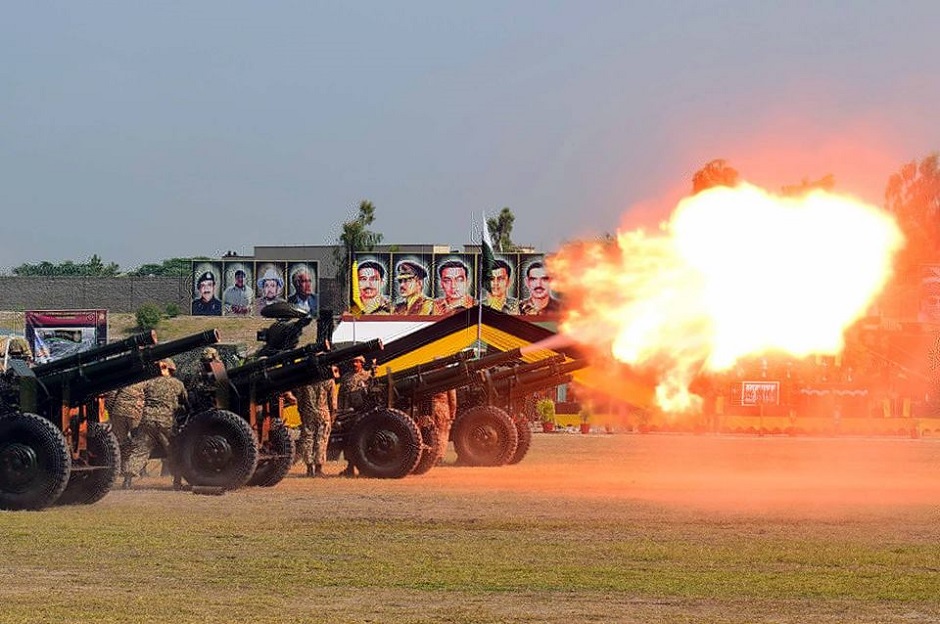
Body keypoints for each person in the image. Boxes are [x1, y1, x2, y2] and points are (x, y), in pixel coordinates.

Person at [122, 359, 189, 490]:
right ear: (171, 369)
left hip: (147, 420)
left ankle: (127, 481)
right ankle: (177, 481)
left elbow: (139, 397)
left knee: (140, 450)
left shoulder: (149, 383)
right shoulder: (177, 384)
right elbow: (185, 402)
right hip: (166, 422)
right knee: (174, 450)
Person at [295, 366, 338, 477]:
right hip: (324, 414)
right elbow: (333, 402)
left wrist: (302, 413)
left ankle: (309, 468)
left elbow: (300, 400)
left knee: (308, 439)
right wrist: (333, 416)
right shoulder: (329, 380)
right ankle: (319, 469)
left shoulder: (304, 381)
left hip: (308, 413)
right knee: (321, 440)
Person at [337, 355, 372, 476]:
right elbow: (341, 395)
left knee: (363, 440)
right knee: (348, 440)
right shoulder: (346, 378)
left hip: (362, 413)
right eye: (353, 362)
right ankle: (350, 467)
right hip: (348, 414)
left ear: (362, 363)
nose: (355, 364)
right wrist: (340, 411)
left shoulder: (367, 376)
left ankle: (363, 469)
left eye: (357, 362)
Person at [104, 380, 147, 473]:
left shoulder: (124, 378)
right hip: (135, 413)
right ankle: (139, 469)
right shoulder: (144, 380)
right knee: (137, 441)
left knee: (120, 442)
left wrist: (111, 411)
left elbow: (111, 395)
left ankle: (121, 468)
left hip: (119, 411)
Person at [430, 388, 457, 465]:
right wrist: (452, 414)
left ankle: (430, 457)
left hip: (430, 408)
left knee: (430, 433)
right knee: (442, 433)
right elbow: (452, 399)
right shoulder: (448, 381)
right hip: (443, 409)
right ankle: (439, 458)